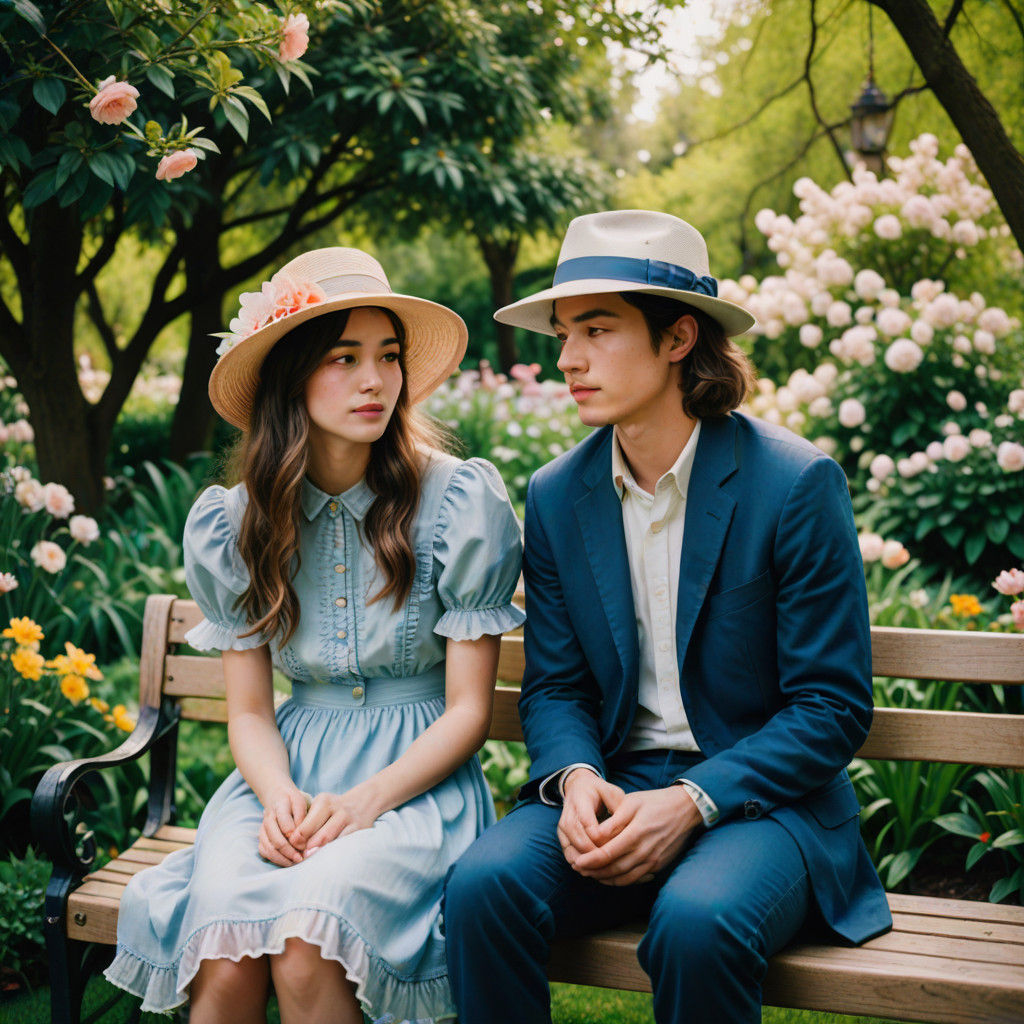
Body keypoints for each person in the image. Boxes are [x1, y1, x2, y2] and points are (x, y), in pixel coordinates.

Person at [444, 210, 892, 1024]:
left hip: (766, 804)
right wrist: (577, 779)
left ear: (679, 337)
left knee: (697, 922)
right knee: (482, 888)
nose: (567, 359)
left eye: (597, 330)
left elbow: (831, 707)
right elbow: (556, 687)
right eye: (564, 335)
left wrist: (691, 799)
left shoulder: (794, 485)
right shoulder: (556, 495)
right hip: (614, 787)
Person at [104, 246, 526, 1024]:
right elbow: (250, 712)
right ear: (292, 377)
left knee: (307, 942)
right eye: (345, 358)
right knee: (226, 951)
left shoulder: (455, 501)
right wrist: (278, 799)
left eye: (389, 356)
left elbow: (469, 711)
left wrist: (365, 803)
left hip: (413, 783)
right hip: (286, 776)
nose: (376, 380)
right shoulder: (239, 523)